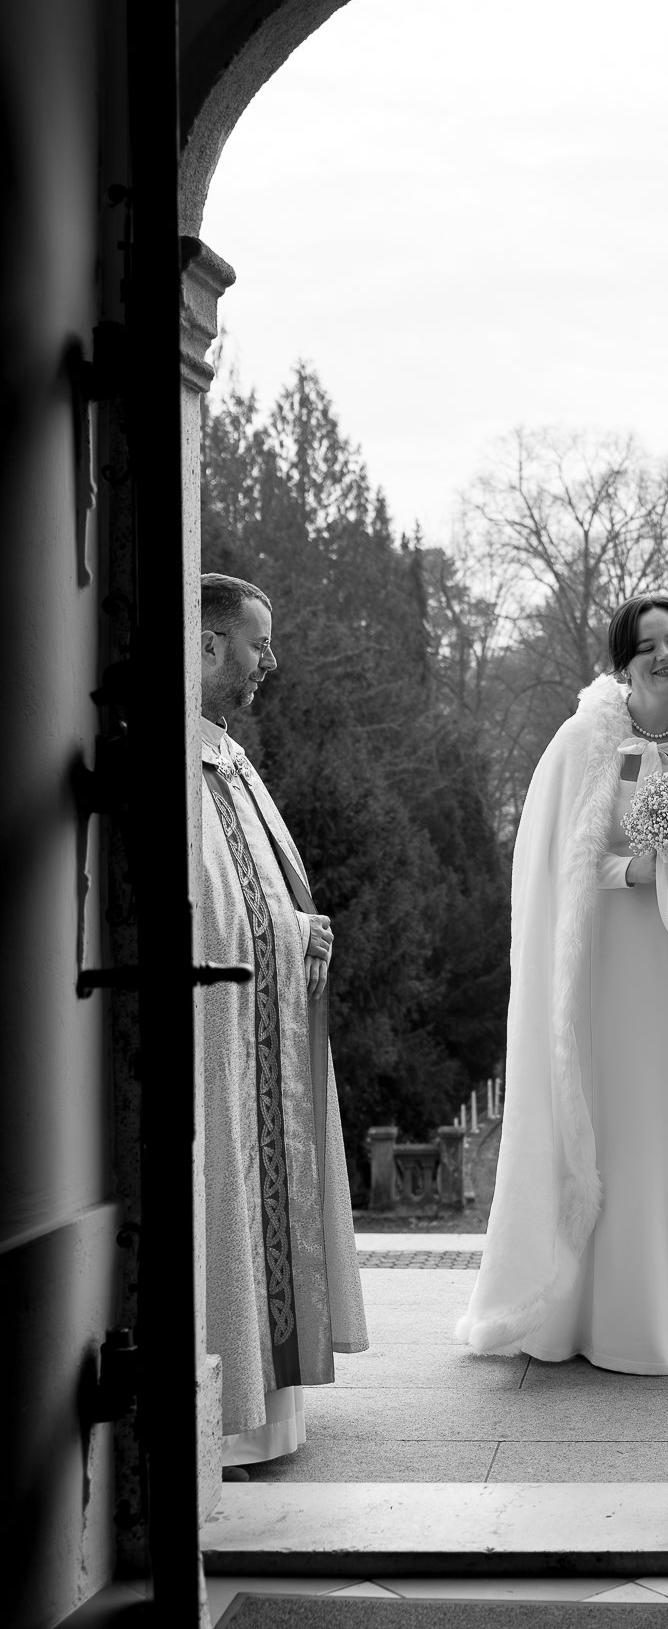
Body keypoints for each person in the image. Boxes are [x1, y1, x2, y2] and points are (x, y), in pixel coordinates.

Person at [456, 594, 668, 1374]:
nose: (667, 656)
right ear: (622, 662)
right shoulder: (584, 740)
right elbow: (561, 861)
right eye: (648, 647)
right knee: (618, 1118)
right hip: (610, 964)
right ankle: (589, 1311)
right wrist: (636, 868)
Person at [197, 573, 367, 1473]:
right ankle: (225, 1419)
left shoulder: (226, 756)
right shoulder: (180, 761)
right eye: (259, 644)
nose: (273, 661)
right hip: (216, 1038)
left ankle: (271, 1408)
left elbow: (254, 901)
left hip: (263, 1019)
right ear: (211, 644)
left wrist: (299, 928)